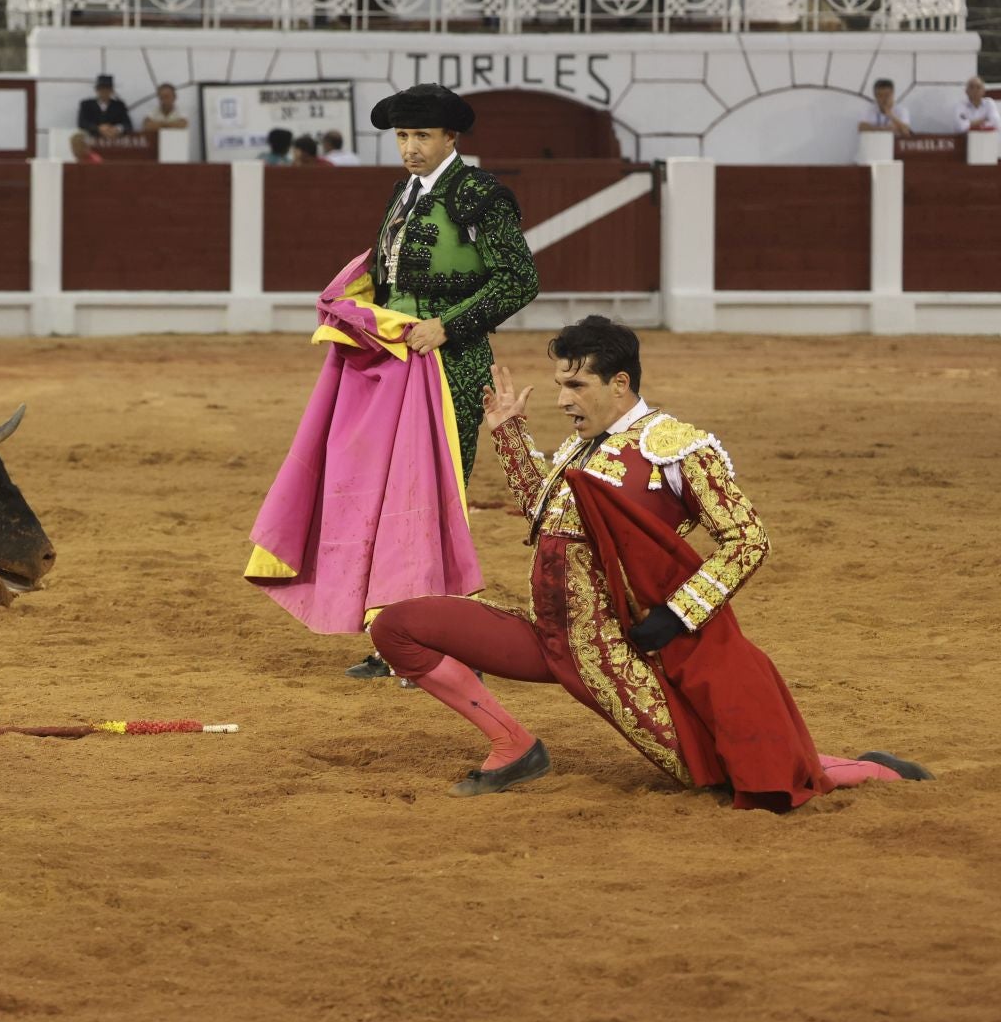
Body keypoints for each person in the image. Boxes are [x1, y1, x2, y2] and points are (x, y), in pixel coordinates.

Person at [369, 318, 933, 803]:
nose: (563, 398)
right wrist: (509, 435)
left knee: (716, 774)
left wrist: (680, 615)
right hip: (548, 636)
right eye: (561, 383)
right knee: (397, 627)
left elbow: (747, 538)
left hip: (615, 653)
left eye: (575, 384)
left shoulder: (677, 447)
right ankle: (514, 745)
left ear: (619, 384)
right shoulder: (577, 445)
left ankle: (870, 769)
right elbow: (547, 517)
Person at [345, 84, 541, 683]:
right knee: (394, 496)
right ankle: (399, 636)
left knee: (435, 496)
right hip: (397, 362)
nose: (409, 148)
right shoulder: (405, 192)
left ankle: (449, 642)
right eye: (402, 137)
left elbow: (519, 281)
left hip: (450, 364)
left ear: (450, 138)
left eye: (421, 136)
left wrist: (448, 326)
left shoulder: (478, 195)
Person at [77, 74, 133, 138]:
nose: (104, 92)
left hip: (113, 142)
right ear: (97, 90)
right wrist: (98, 128)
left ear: (112, 91)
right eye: (101, 89)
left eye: (107, 89)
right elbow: (82, 123)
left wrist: (117, 129)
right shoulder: (86, 104)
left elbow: (128, 125)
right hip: (92, 140)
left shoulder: (119, 105)